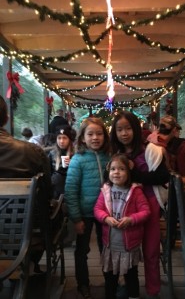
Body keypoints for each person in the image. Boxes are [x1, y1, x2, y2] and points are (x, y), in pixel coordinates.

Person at [110, 111, 170, 299]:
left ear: (136, 129)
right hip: (125, 206)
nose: (124, 133)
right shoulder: (115, 153)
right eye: (119, 129)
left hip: (150, 202)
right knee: (127, 247)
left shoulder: (149, 149)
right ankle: (129, 286)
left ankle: (153, 290)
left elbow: (162, 176)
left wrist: (133, 175)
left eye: (128, 128)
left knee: (151, 249)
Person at [0, 95, 52, 273]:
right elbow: (47, 192)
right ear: (6, 118)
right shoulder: (32, 151)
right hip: (22, 233)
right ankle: (28, 264)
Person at [64, 117, 110, 299]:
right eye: (90, 134)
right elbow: (70, 190)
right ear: (82, 138)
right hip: (84, 214)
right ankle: (83, 283)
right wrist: (76, 218)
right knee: (82, 251)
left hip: (106, 213)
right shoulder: (78, 160)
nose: (95, 138)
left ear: (105, 136)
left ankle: (110, 281)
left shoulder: (110, 156)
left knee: (106, 248)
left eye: (99, 134)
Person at [94, 153, 151, 299]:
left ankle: (133, 296)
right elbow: (97, 209)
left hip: (129, 246)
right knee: (110, 276)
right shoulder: (105, 190)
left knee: (131, 275)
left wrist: (131, 219)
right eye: (113, 169)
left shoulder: (136, 191)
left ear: (129, 172)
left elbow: (145, 211)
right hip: (111, 244)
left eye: (121, 169)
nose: (116, 172)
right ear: (109, 172)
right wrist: (105, 218)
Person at [49, 125, 75, 199]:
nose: (61, 141)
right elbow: (49, 173)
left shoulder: (76, 154)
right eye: (59, 138)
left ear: (69, 139)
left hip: (71, 187)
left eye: (64, 138)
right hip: (56, 190)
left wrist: (73, 164)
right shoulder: (52, 154)